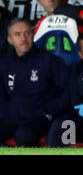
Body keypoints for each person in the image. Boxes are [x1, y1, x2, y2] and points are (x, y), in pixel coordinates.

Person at [0, 19, 70, 147]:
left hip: (39, 117)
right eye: (18, 34)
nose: (23, 38)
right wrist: (7, 110)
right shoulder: (4, 63)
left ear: (33, 35)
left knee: (24, 135)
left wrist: (50, 110)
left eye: (27, 33)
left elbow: (68, 92)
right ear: (10, 40)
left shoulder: (51, 61)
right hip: (13, 117)